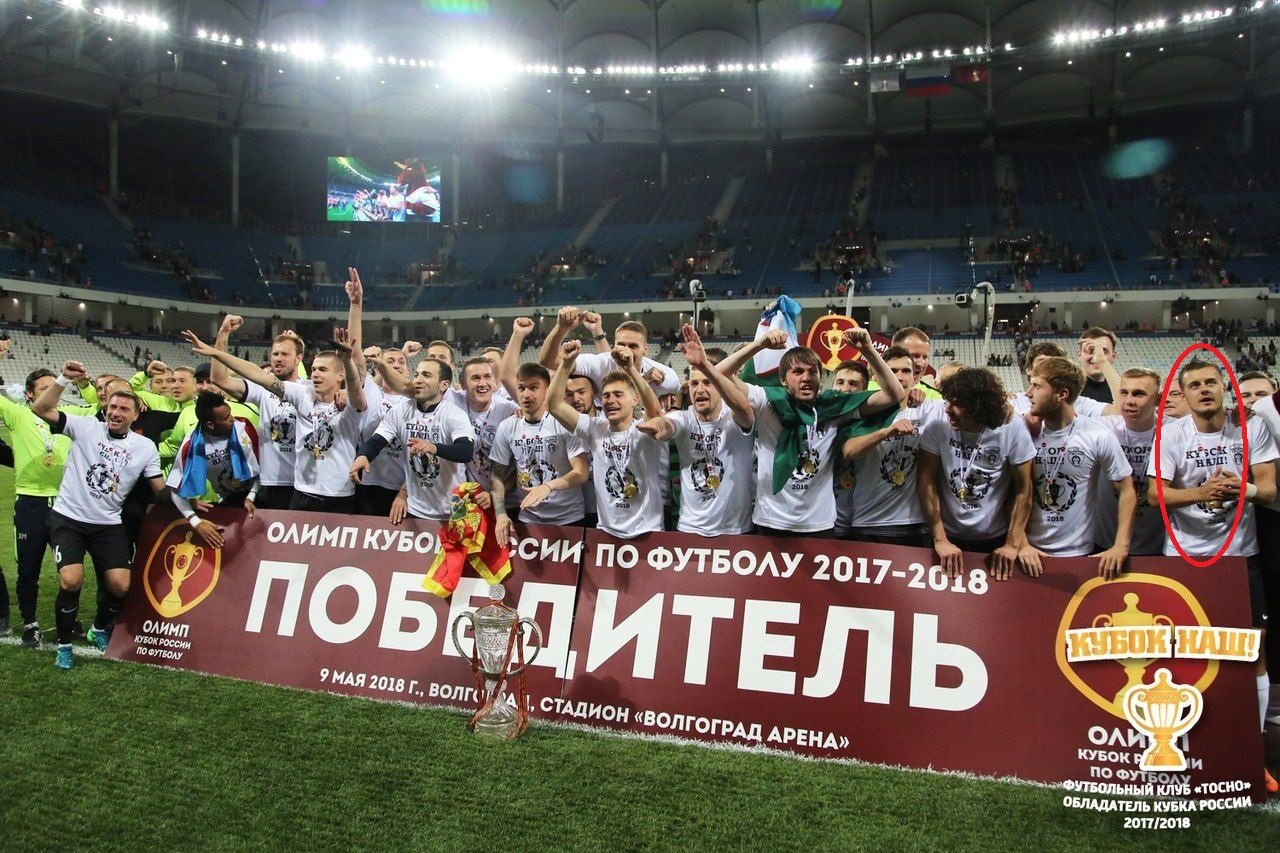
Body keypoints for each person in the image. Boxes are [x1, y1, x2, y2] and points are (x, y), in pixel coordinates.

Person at [1148, 358, 1278, 791]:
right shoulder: (1171, 434)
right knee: (1184, 654)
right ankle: (1184, 744)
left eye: (1211, 382)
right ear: (1183, 395)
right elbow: (1156, 495)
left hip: (1241, 556)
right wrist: (1202, 492)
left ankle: (1252, 752)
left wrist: (1241, 488)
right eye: (1195, 385)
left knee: (1253, 653)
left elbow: (1269, 488)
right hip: (1183, 558)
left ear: (1224, 387)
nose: (1204, 390)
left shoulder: (1251, 427)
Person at [32, 361, 165, 670]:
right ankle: (65, 645)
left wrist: (187, 502)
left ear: (136, 415)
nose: (115, 413)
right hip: (68, 519)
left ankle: (98, 628)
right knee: (71, 580)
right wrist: (64, 378)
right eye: (112, 407)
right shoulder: (85, 427)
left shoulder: (145, 447)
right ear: (106, 408)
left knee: (121, 585)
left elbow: (159, 489)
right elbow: (41, 408)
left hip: (107, 523)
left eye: (123, 409)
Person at [716, 328, 905, 537]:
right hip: (771, 522)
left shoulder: (834, 407)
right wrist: (759, 345)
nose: (806, 378)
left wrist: (868, 349)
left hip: (819, 525)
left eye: (812, 372)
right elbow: (719, 373)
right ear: (783, 380)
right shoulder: (767, 402)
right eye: (797, 372)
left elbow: (895, 394)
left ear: (820, 378)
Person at [187, 327, 366, 513]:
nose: (315, 374)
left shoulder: (346, 402)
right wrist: (215, 352)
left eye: (322, 369)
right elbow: (258, 376)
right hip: (297, 490)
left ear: (340, 375)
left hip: (336, 494)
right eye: (313, 369)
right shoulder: (302, 394)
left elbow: (357, 390)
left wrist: (347, 362)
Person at [0, 365, 100, 649]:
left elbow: (101, 405)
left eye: (56, 386)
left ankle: (70, 620)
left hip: (66, 503)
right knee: (28, 570)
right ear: (29, 395)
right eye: (44, 388)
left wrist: (84, 384)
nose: (52, 391)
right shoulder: (19, 415)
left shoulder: (71, 415)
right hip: (30, 502)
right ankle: (30, 625)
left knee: (70, 569)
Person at [1017, 357, 1135, 578]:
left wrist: (1121, 545)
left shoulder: (1097, 435)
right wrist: (1021, 544)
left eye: (1037, 386)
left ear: (1061, 394)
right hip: (1028, 554)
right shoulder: (1023, 431)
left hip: (1081, 555)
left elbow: (1127, 489)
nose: (1028, 393)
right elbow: (1011, 491)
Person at [636, 325, 755, 537]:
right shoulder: (685, 418)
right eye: (694, 384)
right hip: (690, 529)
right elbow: (668, 425)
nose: (699, 389)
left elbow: (745, 410)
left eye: (707, 383)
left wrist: (705, 365)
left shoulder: (733, 417)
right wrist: (659, 425)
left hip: (735, 531)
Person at [917, 367, 1034, 579]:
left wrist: (1012, 544)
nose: (948, 409)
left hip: (995, 538)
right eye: (948, 401)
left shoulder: (1012, 427)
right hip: (946, 536)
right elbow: (926, 481)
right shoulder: (938, 422)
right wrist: (940, 539)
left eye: (958, 404)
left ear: (980, 408)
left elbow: (1023, 489)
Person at [547, 339, 666, 538]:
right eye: (606, 395)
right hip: (606, 535)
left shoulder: (644, 430)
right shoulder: (595, 429)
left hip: (648, 533)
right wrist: (566, 364)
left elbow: (655, 412)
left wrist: (631, 370)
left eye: (618, 394)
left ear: (634, 400)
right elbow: (554, 405)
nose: (611, 400)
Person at [350, 358, 475, 523]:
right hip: (415, 508)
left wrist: (433, 447)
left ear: (444, 385)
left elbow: (465, 451)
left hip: (454, 511)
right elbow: (376, 441)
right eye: (416, 375)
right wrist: (363, 456)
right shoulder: (400, 411)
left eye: (426, 375)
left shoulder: (455, 415)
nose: (418, 380)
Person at [844, 345, 946, 547]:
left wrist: (1007, 403)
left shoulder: (929, 409)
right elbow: (849, 451)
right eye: (892, 371)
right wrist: (886, 432)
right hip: (869, 522)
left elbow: (966, 403)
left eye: (906, 371)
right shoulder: (863, 412)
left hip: (916, 523)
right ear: (877, 377)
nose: (899, 377)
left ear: (915, 378)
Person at [209, 317, 306, 509]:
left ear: (299, 358)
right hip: (270, 484)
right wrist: (223, 334)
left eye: (285, 354)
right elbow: (220, 379)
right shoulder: (261, 390)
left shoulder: (308, 390)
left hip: (304, 484)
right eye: (275, 353)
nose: (278, 358)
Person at [489, 363, 590, 542]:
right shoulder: (508, 426)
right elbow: (497, 476)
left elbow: (581, 473)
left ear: (547, 390)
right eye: (521, 388)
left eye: (534, 388)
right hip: (528, 519)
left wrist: (548, 486)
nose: (526, 394)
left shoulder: (564, 423)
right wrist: (501, 514)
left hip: (568, 518)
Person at [166, 391, 260, 547]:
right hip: (229, 499)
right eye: (226, 418)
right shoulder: (192, 446)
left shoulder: (244, 428)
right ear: (210, 424)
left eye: (231, 414)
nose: (233, 419)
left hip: (260, 492)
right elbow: (176, 490)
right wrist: (196, 522)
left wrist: (252, 495)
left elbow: (264, 469)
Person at [1095, 368, 1167, 557]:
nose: (1129, 401)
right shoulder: (1101, 428)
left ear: (1158, 399)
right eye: (1124, 392)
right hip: (1106, 545)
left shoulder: (1174, 430)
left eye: (1139, 394)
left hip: (1159, 547)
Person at [540, 307, 681, 399]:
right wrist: (561, 328)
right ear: (614, 346)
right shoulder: (601, 364)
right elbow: (549, 361)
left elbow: (680, 394)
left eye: (633, 346)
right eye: (621, 345)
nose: (626, 350)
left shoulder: (663, 375)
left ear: (645, 349)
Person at [831, 359, 871, 539]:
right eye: (840, 382)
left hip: (861, 524)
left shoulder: (874, 423)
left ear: (864, 391)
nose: (845, 389)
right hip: (822, 523)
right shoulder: (819, 420)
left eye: (853, 384)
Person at [1076, 327, 1121, 404]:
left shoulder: (1120, 389)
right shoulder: (1068, 390)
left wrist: (1102, 362)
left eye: (1103, 352)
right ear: (1079, 355)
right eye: (1091, 350)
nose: (1097, 357)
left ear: (1113, 356)